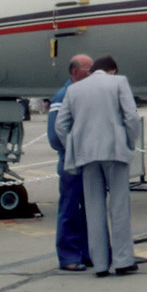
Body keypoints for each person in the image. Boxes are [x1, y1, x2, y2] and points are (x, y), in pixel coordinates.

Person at [56, 54, 140, 277]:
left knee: (94, 209)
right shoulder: (119, 82)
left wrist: (75, 147)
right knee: (119, 207)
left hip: (87, 156)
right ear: (112, 70)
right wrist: (129, 143)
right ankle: (122, 260)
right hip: (114, 151)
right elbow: (131, 117)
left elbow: (60, 126)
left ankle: (100, 263)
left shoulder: (74, 90)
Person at [46, 53, 93, 272]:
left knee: (89, 209)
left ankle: (88, 252)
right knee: (70, 209)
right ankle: (69, 256)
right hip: (72, 162)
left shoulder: (87, 93)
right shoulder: (63, 96)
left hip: (88, 160)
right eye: (88, 70)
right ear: (75, 72)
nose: (93, 74)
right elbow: (56, 135)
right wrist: (75, 151)